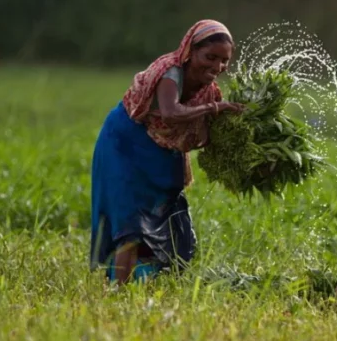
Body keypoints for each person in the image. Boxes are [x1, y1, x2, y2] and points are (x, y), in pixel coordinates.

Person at [90, 20, 245, 285]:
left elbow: (206, 133)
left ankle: (137, 278)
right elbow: (171, 113)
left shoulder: (209, 92)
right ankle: (117, 290)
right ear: (190, 52)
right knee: (130, 222)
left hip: (162, 153)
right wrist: (214, 109)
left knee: (171, 225)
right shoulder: (170, 72)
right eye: (210, 57)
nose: (217, 67)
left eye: (224, 61)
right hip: (126, 143)